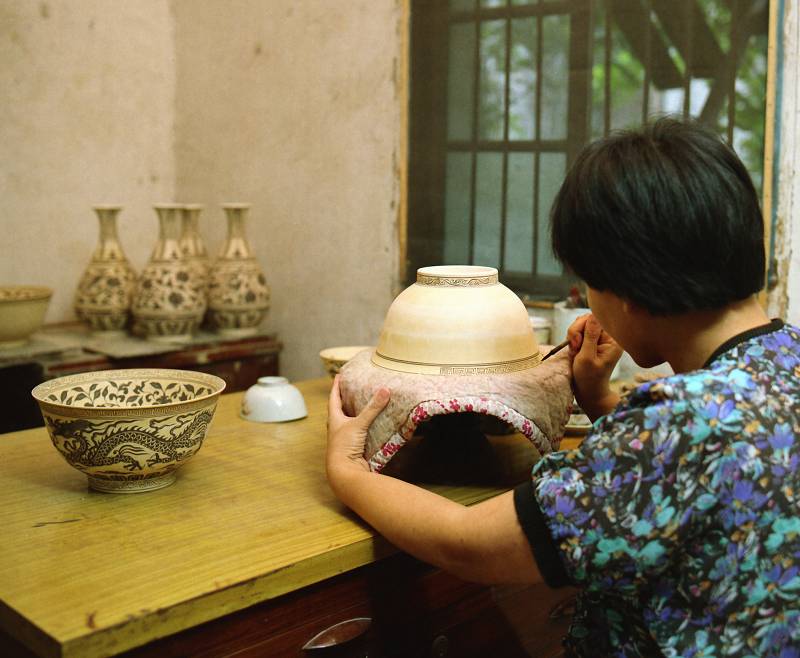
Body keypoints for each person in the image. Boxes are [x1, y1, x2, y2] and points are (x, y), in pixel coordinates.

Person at [326, 118, 800, 657]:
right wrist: (600, 400)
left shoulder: (673, 430)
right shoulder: (786, 356)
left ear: (629, 290)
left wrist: (348, 470)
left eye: (589, 285)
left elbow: (471, 545)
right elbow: (714, 457)